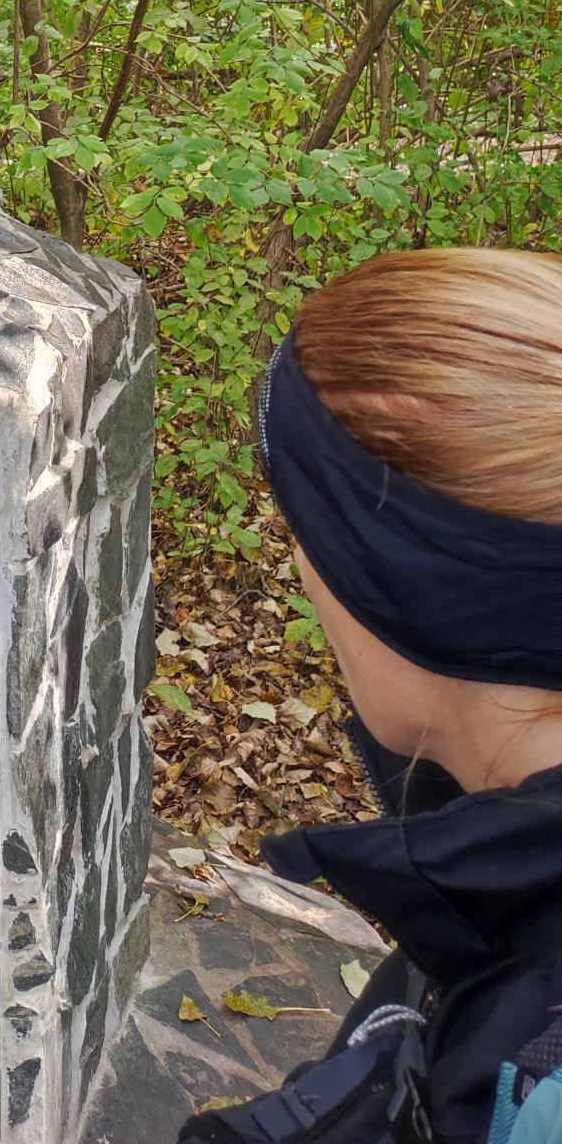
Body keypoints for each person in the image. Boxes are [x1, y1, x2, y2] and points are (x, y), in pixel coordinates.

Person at [179, 247, 562, 1144]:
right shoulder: (504, 886)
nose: (298, 565)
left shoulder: (538, 1087)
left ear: (409, 592)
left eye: (307, 529)